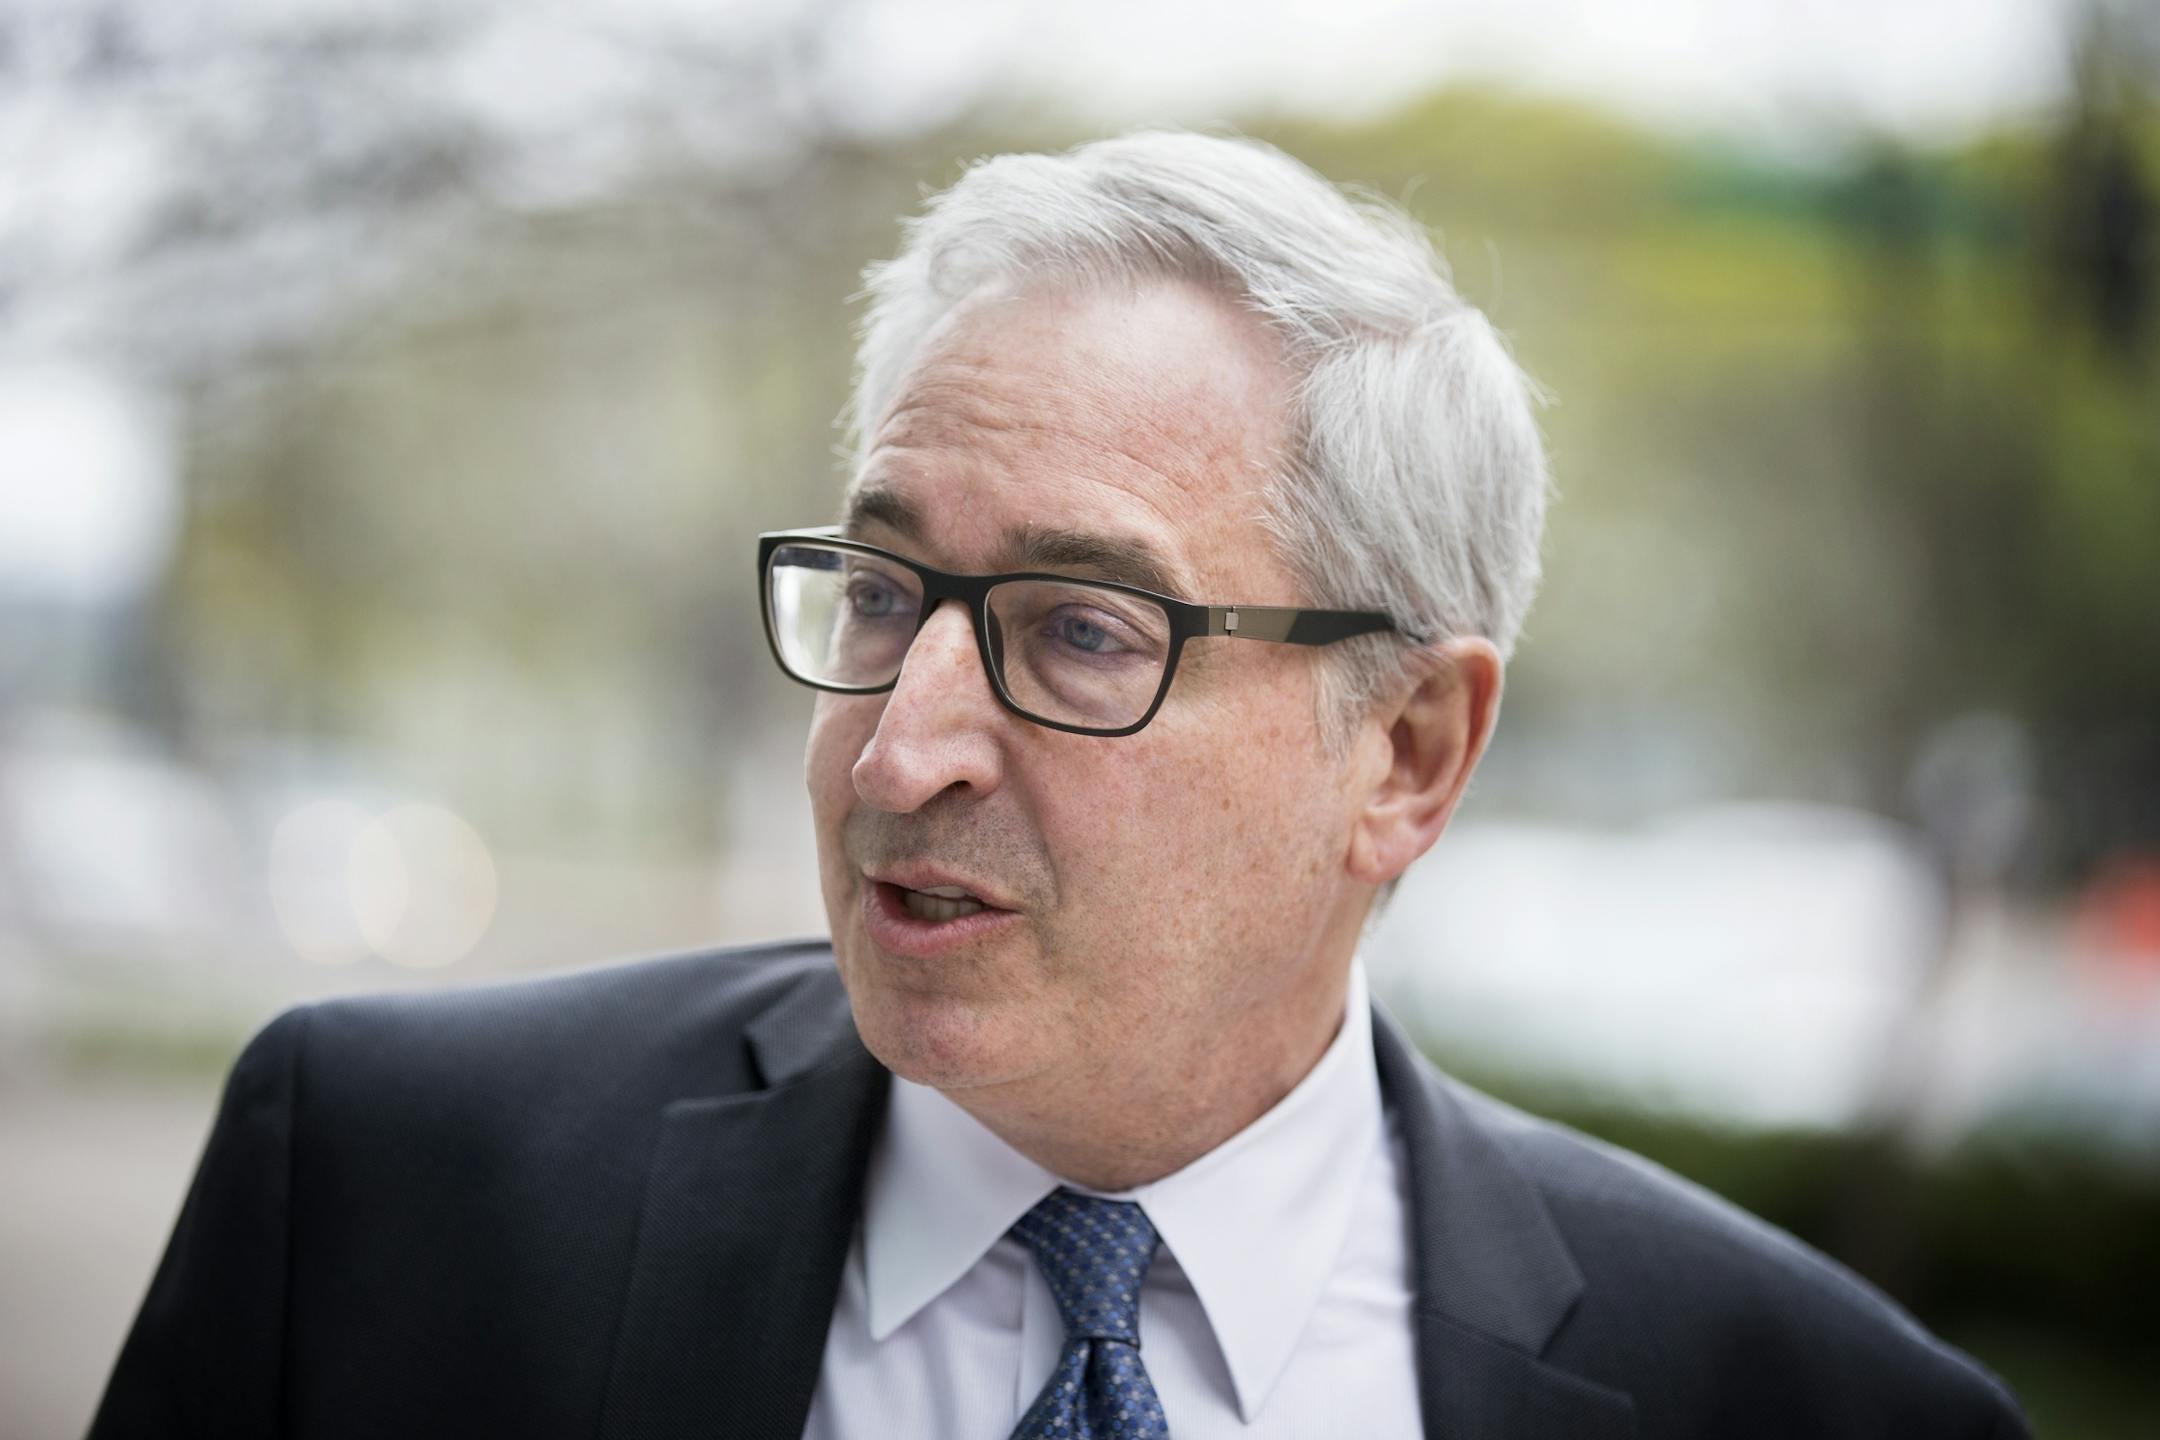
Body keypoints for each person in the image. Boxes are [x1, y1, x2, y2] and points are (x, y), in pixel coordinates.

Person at [91, 131, 2030, 1440]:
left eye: (1084, 633)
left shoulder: (1805, 1401)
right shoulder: (387, 1187)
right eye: (878, 594)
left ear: (1408, 754)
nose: (904, 745)